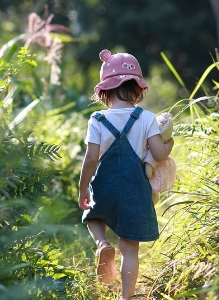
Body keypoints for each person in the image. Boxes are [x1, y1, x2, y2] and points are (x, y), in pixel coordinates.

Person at [78, 49, 174, 299]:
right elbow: (159, 153)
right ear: (138, 89)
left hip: (105, 185)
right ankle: (127, 296)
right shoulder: (147, 118)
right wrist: (169, 144)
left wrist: (83, 187)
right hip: (135, 189)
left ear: (105, 91)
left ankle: (102, 243)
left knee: (93, 214)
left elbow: (90, 158)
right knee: (130, 249)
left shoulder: (97, 119)